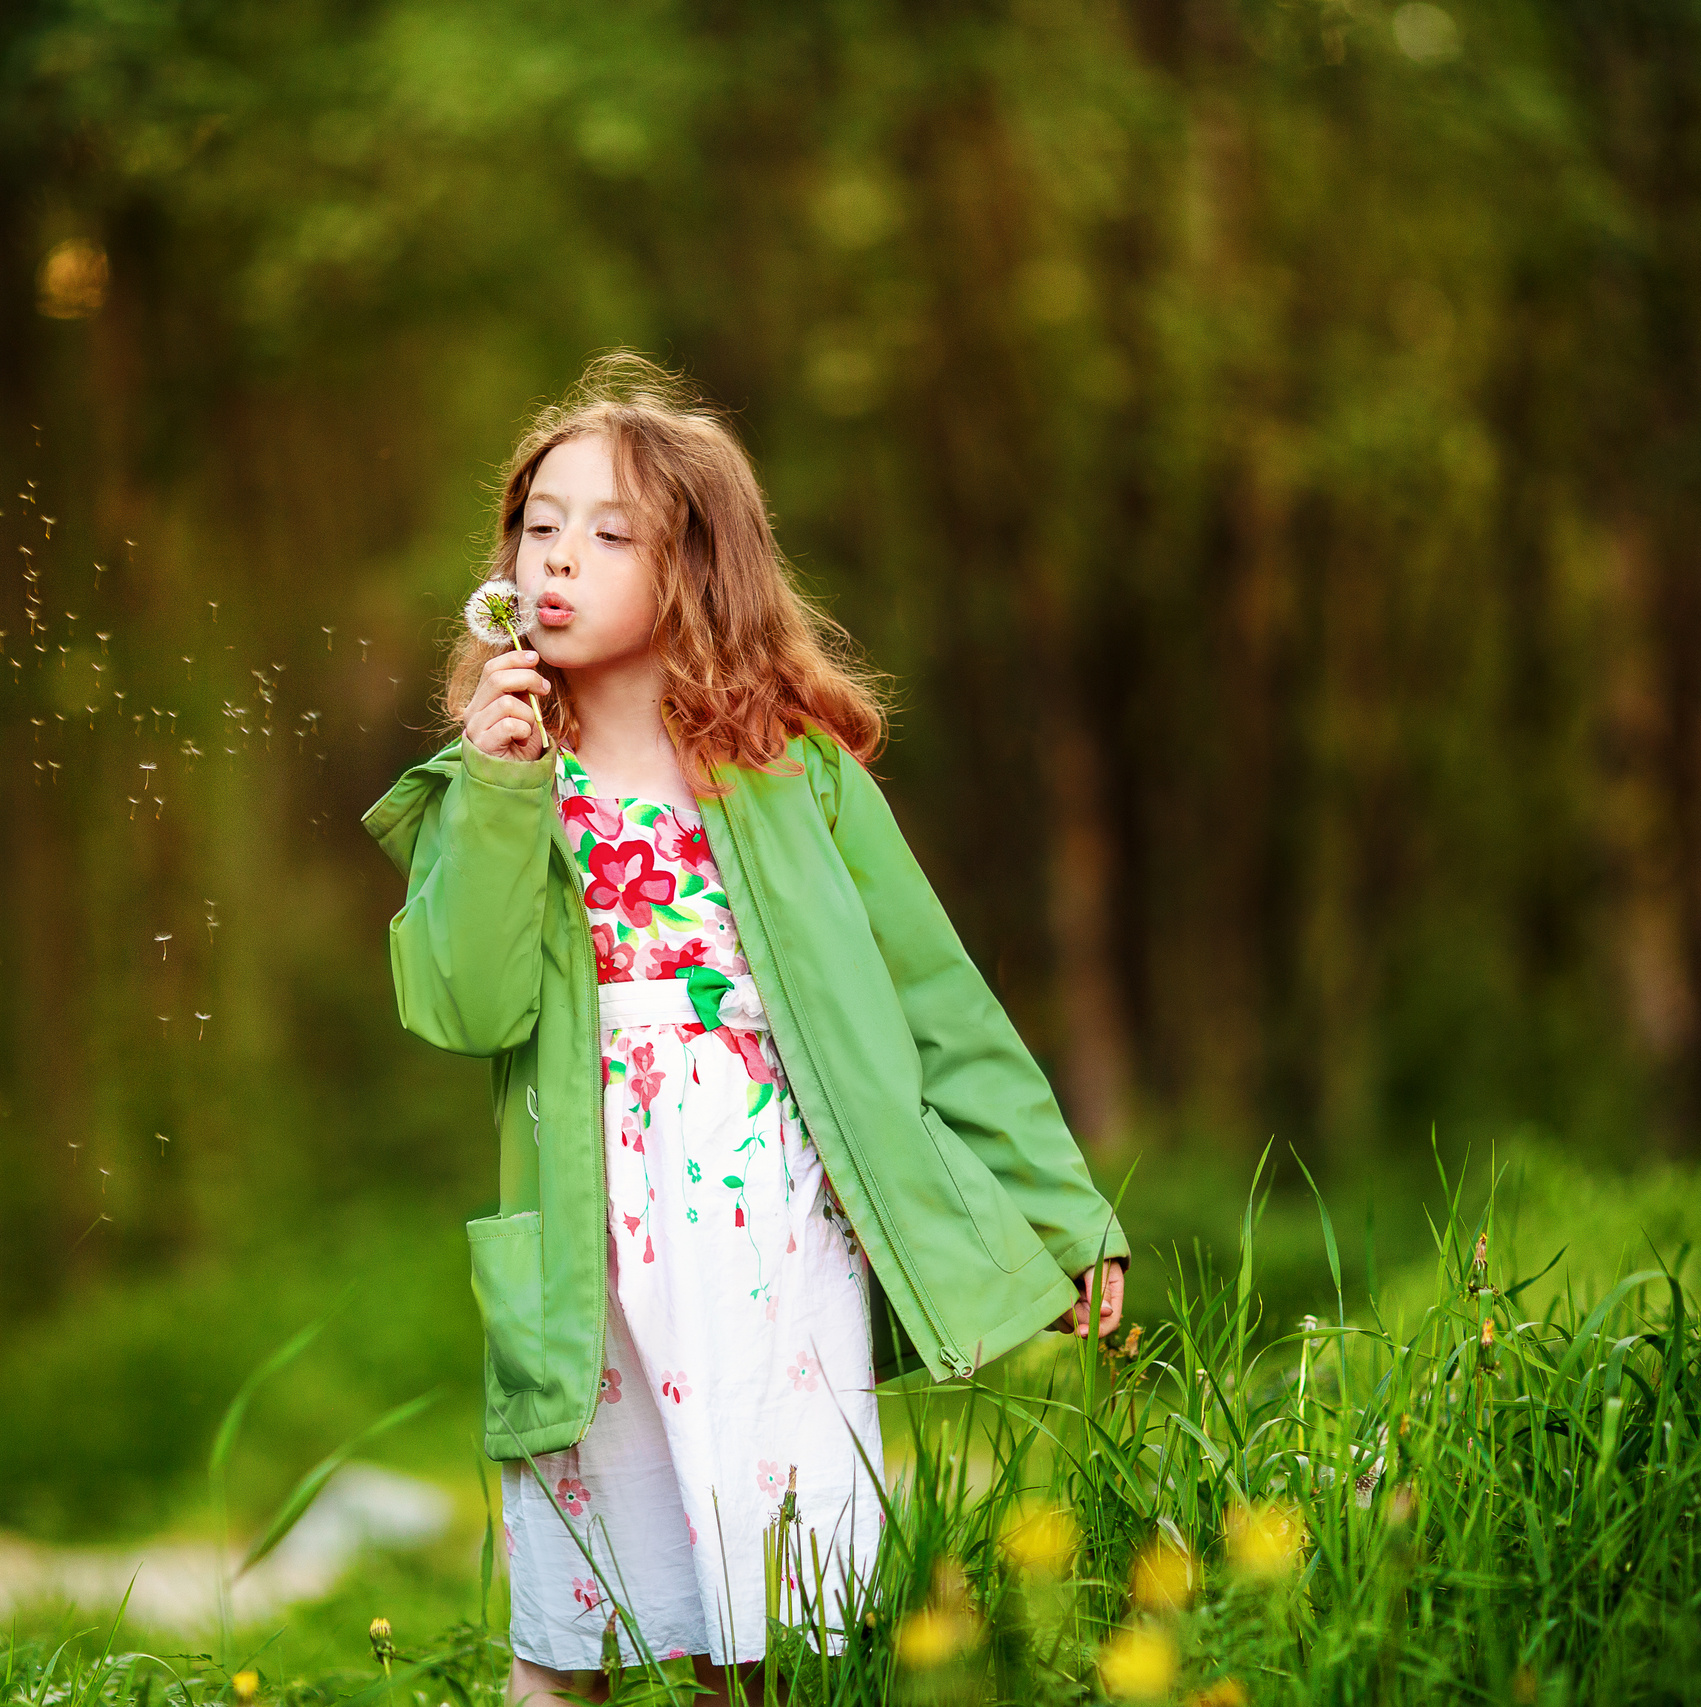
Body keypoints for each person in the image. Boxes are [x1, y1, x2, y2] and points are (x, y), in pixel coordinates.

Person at [360, 354, 1129, 1705]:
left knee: (767, 1619)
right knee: (569, 1619)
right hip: (590, 1236)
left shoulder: (794, 774)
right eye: (538, 527)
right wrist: (491, 785)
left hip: (775, 1228)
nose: (559, 558)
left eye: (608, 534)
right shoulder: (488, 790)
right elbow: (462, 1004)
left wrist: (1059, 1212)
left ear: (697, 569)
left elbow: (939, 1004)